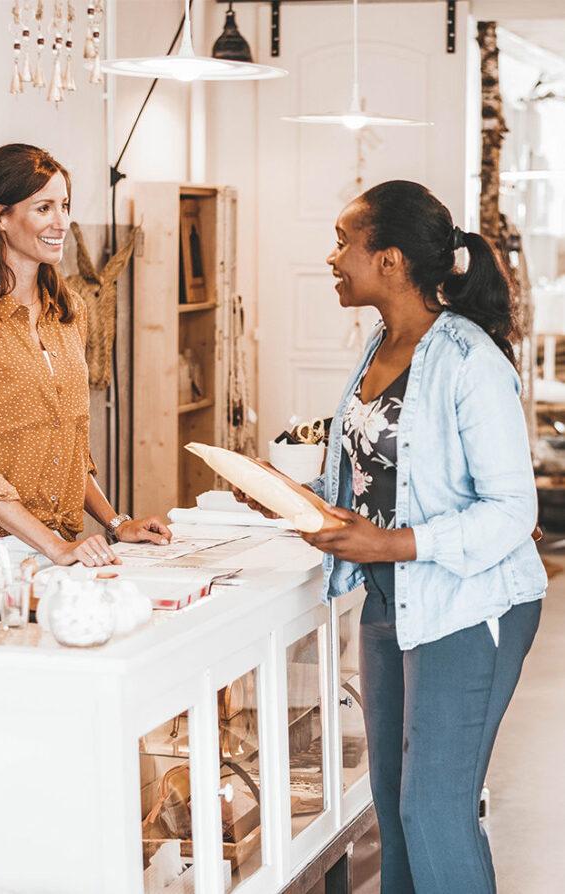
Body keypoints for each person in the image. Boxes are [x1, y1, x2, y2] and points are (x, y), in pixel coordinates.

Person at [244, 180, 546, 893]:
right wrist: (288, 498)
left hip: (471, 606)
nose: (331, 257)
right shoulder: (381, 344)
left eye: (343, 242)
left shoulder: (469, 360)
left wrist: (393, 544)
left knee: (433, 809)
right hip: (393, 598)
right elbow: (380, 480)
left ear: (390, 259)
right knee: (394, 800)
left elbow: (511, 510)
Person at [0, 143, 171, 567]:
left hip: (52, 549)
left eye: (65, 205)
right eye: (43, 208)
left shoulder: (69, 311)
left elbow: (71, 449)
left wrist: (114, 523)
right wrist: (56, 548)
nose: (61, 222)